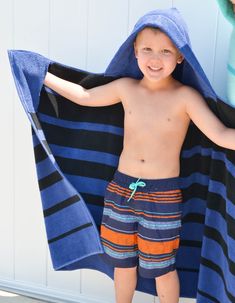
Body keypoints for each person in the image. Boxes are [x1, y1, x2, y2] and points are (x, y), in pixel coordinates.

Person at [43, 10, 235, 303]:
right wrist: (41, 74)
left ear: (180, 56)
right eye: (147, 49)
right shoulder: (126, 88)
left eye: (165, 51)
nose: (155, 59)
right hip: (121, 192)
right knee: (122, 264)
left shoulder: (185, 97)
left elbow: (220, 135)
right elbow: (84, 96)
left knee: (163, 269)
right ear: (134, 51)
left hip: (163, 198)